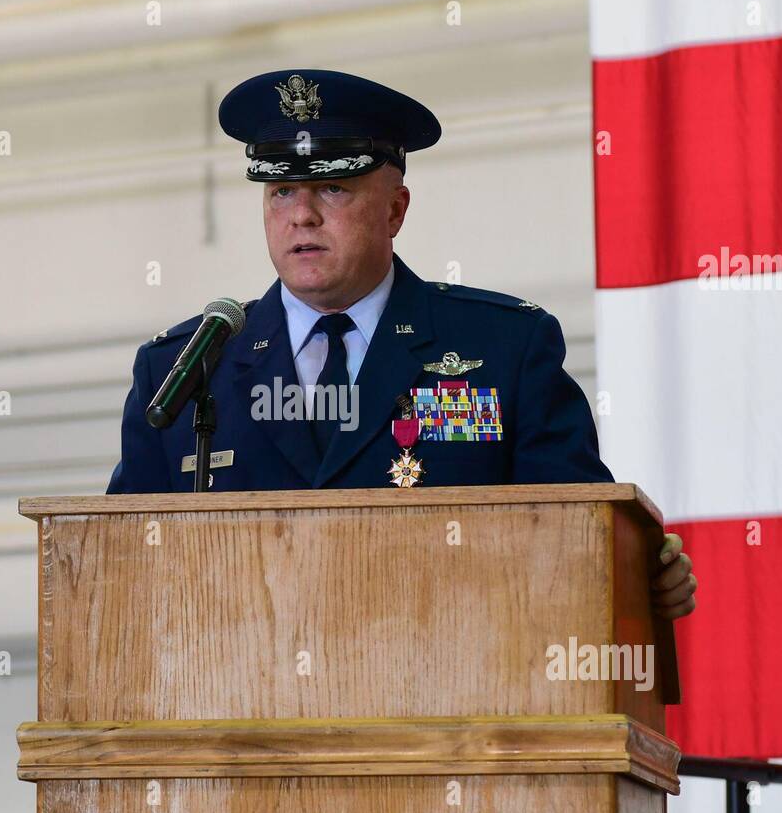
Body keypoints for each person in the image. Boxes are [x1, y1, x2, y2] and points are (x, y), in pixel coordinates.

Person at [107, 69, 696, 621]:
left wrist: (637, 577)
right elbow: (121, 569)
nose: (302, 216)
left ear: (395, 209)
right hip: (234, 710)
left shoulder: (503, 347)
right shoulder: (186, 368)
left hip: (453, 706)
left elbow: (580, 536)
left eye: (332, 188)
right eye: (282, 191)